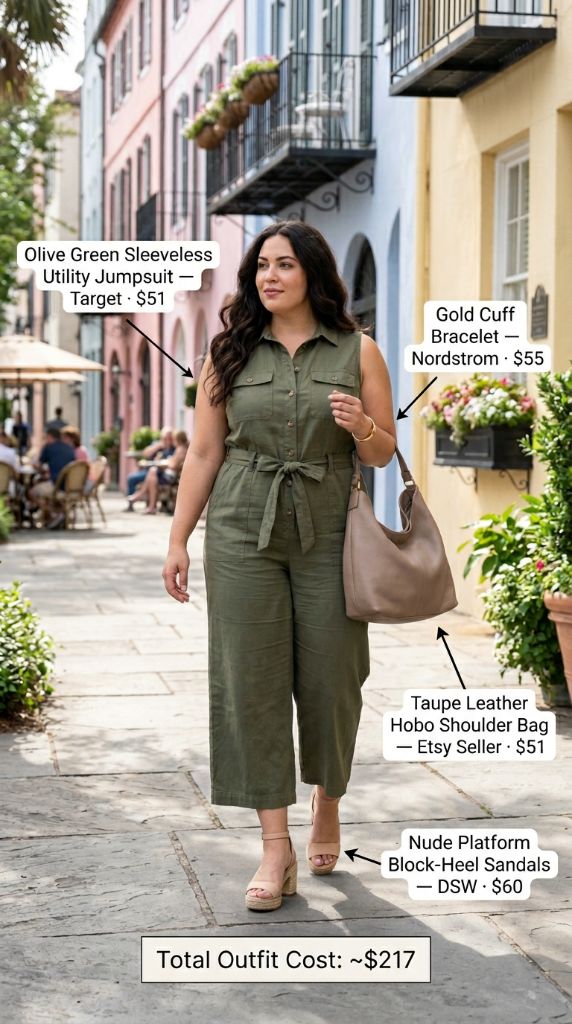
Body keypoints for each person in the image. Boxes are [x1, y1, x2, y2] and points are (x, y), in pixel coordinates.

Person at [161, 220, 397, 912]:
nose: (269, 275)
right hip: (242, 526)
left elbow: (382, 452)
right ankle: (275, 846)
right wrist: (177, 539)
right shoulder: (226, 353)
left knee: (334, 679)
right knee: (252, 682)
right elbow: (205, 452)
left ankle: (328, 800)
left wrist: (362, 427)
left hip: (330, 530)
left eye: (285, 264)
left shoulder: (359, 350)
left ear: (313, 274)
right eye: (261, 265)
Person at [127, 430, 188, 514]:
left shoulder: (180, 449)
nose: (170, 441)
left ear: (177, 440)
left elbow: (173, 465)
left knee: (152, 473)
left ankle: (147, 501)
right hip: (167, 473)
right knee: (152, 473)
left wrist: (165, 462)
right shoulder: (177, 448)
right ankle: (149, 504)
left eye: (172, 439)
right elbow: (146, 453)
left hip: (171, 477)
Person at [28, 427, 75, 516]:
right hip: (70, 485)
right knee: (44, 483)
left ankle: (54, 512)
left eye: (46, 438)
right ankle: (55, 514)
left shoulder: (48, 447)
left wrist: (34, 465)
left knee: (31, 493)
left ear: (49, 436)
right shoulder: (69, 448)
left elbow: (38, 465)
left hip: (56, 486)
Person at [125, 426, 176, 508]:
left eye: (170, 438)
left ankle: (140, 496)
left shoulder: (173, 449)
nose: (167, 440)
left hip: (161, 473)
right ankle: (131, 505)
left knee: (152, 474)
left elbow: (171, 463)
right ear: (161, 437)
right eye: (165, 438)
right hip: (148, 470)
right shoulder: (157, 445)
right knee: (131, 478)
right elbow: (145, 454)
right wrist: (158, 446)